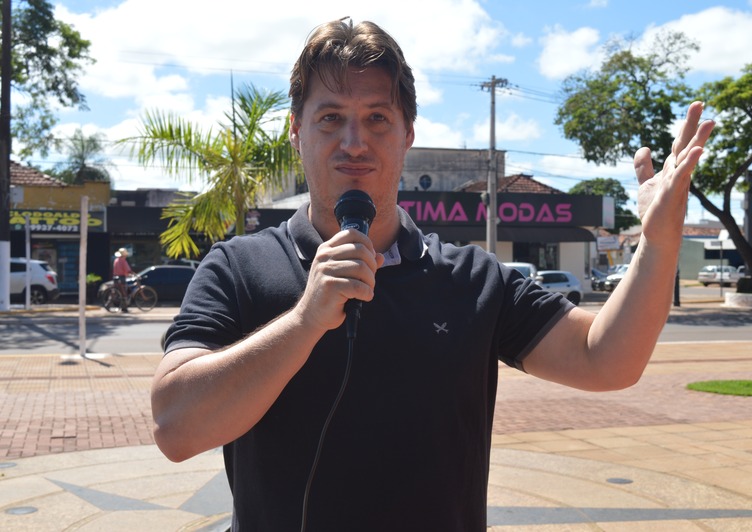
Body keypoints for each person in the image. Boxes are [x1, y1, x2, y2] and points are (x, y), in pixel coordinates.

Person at [151, 18, 714, 531]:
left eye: (377, 118)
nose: (354, 142)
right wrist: (303, 321)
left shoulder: (474, 279)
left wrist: (659, 245)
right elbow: (175, 428)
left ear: (407, 135)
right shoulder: (238, 267)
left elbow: (606, 359)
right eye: (331, 119)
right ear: (297, 132)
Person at [112, 247, 133, 312]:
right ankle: (124, 308)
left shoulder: (116, 260)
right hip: (121, 278)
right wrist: (131, 273)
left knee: (119, 291)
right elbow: (127, 269)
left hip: (115, 277)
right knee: (124, 293)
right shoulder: (123, 260)